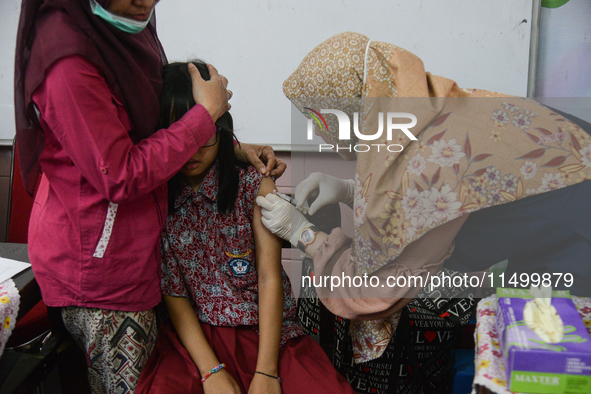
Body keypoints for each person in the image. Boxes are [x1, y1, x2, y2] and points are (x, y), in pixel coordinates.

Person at [256, 31, 591, 368]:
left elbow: (373, 293)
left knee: (550, 369)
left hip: (578, 242)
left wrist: (306, 236)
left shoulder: (428, 165)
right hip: (558, 225)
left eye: (321, 120)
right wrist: (349, 189)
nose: (323, 132)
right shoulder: (433, 107)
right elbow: (467, 185)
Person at [14, 1, 285, 392]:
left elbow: (158, 122)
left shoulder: (123, 20)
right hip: (101, 272)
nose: (147, 2)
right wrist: (205, 118)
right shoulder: (67, 62)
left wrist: (228, 148)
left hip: (147, 265)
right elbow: (119, 173)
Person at [135, 61, 356, 394]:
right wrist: (211, 372)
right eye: (182, 135)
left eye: (204, 136)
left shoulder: (253, 184)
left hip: (267, 335)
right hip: (196, 340)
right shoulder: (159, 196)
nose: (193, 150)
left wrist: (267, 374)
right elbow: (174, 294)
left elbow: (269, 280)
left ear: (221, 129)